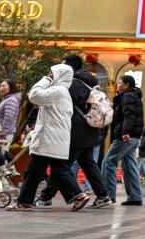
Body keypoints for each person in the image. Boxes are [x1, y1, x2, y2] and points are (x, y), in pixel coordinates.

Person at [6, 65, 89, 211]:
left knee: (34, 171)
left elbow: (34, 95)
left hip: (48, 138)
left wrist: (47, 79)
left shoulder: (57, 91)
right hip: (55, 138)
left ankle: (24, 202)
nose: (50, 74)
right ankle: (77, 195)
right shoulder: (63, 92)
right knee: (58, 169)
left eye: (52, 72)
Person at [34, 54, 112, 209]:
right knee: (89, 165)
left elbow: (62, 108)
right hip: (90, 131)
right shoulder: (92, 84)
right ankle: (103, 195)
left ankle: (46, 198)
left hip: (74, 133)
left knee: (60, 167)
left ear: (69, 67)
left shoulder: (72, 84)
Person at [100, 75, 145, 206]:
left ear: (126, 85)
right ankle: (135, 197)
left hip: (126, 137)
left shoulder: (127, 97)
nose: (117, 86)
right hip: (133, 137)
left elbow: (129, 115)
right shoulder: (133, 96)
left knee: (108, 162)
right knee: (130, 166)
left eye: (120, 83)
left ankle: (108, 195)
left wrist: (125, 132)